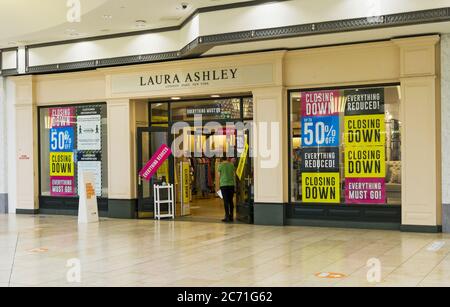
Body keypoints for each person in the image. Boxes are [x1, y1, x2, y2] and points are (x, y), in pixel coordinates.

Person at [218, 157, 236, 223]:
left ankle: (227, 216)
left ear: (222, 159)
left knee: (226, 201)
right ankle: (231, 216)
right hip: (231, 185)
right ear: (227, 159)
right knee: (231, 201)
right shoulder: (231, 165)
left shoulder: (220, 166)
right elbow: (233, 175)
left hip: (223, 185)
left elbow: (219, 176)